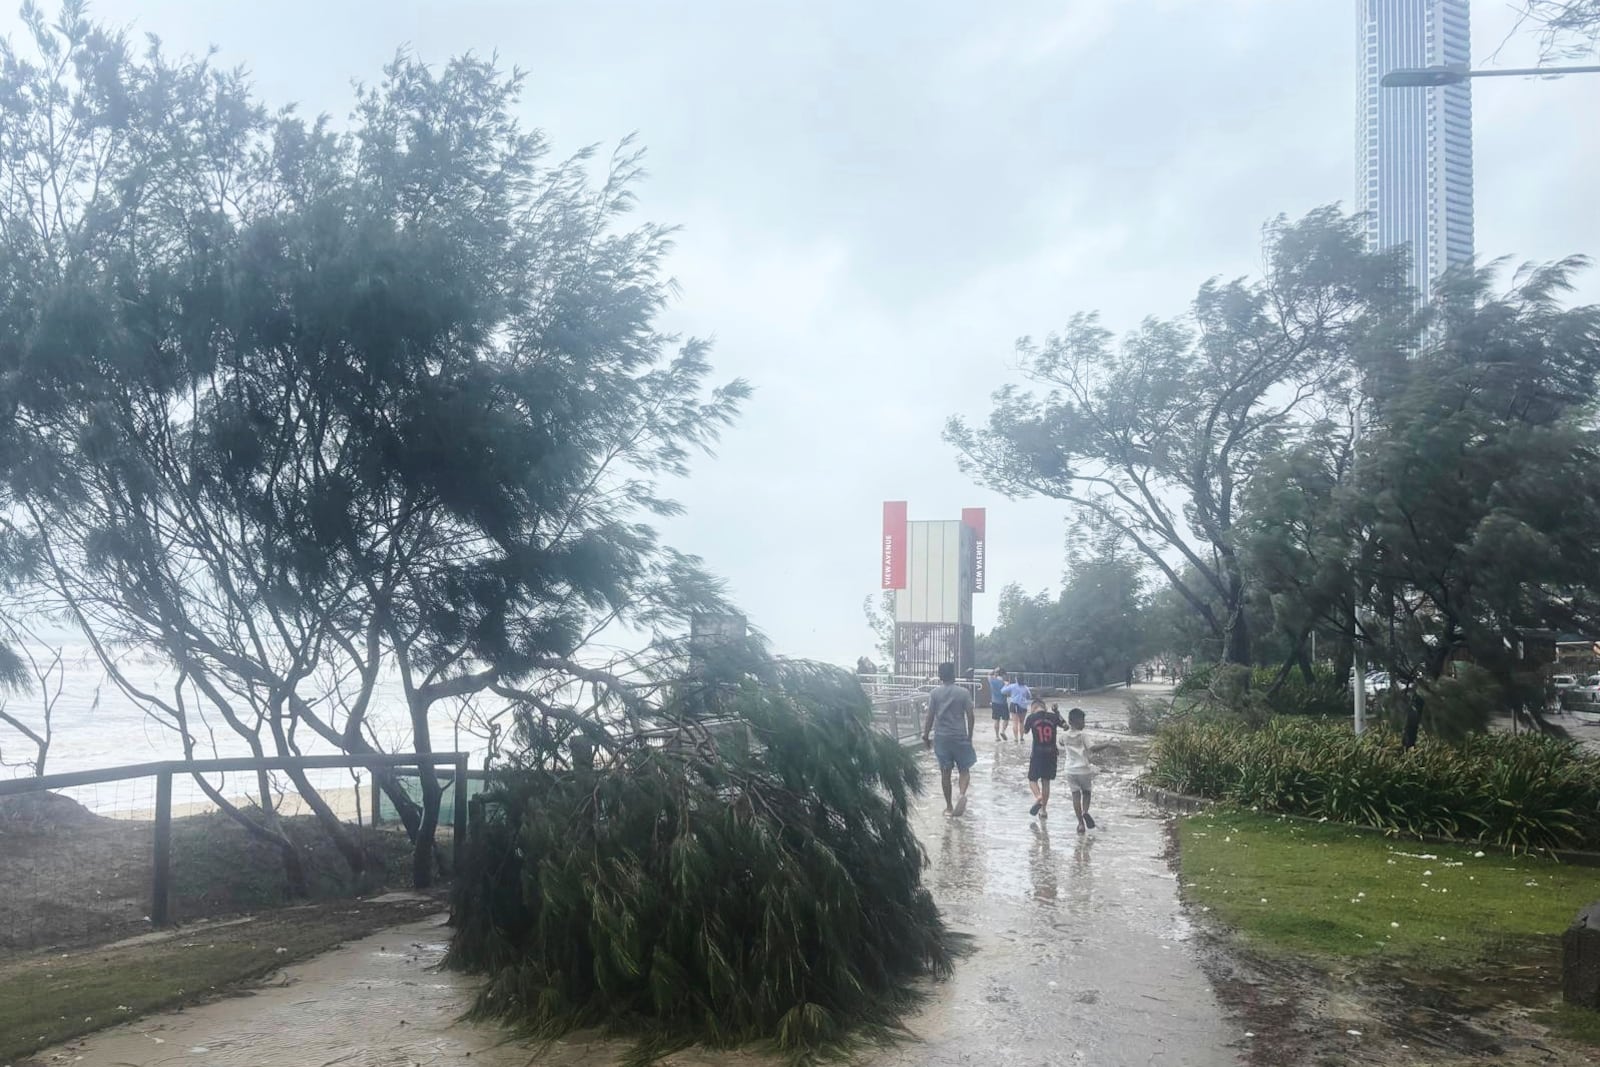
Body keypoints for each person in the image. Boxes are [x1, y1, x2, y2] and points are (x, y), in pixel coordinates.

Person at [921, 661, 976, 816]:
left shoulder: (934, 693)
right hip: (959, 735)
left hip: (942, 737)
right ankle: (962, 794)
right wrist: (969, 736)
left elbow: (930, 717)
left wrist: (926, 736)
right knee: (964, 769)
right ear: (954, 675)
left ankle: (949, 807)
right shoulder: (964, 693)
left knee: (945, 772)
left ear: (940, 676)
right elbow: (971, 716)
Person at [1060, 706, 1099, 834]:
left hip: (1070, 770)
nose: (1084, 723)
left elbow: (1060, 742)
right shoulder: (1083, 735)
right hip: (1084, 769)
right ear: (1078, 722)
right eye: (1082, 721)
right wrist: (1108, 744)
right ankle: (1085, 812)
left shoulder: (1064, 736)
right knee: (1087, 792)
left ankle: (1080, 824)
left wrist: (1066, 729)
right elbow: (1092, 748)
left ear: (1070, 722)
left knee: (1075, 796)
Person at [1022, 699, 1063, 818]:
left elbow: (1025, 731)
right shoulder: (1053, 717)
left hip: (1037, 754)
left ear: (1033, 707)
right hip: (1051, 754)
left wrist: (1029, 721)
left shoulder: (1031, 718)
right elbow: (1065, 726)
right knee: (1046, 782)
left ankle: (1038, 797)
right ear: (1044, 707)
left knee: (1032, 779)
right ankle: (1043, 810)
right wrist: (1056, 712)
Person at [1002, 676, 1032, 744]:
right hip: (1023, 706)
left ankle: (1016, 739)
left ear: (1016, 679)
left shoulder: (1012, 686)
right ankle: (1021, 738)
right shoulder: (1025, 687)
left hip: (1014, 704)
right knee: (1021, 722)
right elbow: (1029, 696)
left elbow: (1003, 691)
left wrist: (1005, 685)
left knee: (1015, 722)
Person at [987, 669, 1011, 740]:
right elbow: (1008, 693)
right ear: (1003, 675)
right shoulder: (1005, 683)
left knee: (996, 720)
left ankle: (997, 736)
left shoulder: (992, 681)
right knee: (1006, 719)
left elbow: (988, 674)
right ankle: (1003, 731)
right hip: (1003, 703)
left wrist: (994, 670)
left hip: (994, 702)